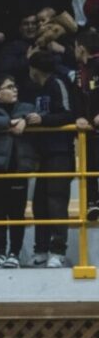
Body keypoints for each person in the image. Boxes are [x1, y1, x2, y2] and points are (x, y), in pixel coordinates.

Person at [0, 74, 39, 269]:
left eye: (15, 86)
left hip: (18, 168)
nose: (15, 90)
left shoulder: (25, 107)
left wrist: (26, 121)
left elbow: (35, 114)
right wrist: (10, 123)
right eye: (9, 87)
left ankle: (15, 253)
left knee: (17, 214)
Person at [22, 50, 76, 268]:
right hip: (42, 154)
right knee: (40, 204)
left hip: (60, 153)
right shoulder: (34, 88)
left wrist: (42, 119)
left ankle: (58, 251)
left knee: (56, 202)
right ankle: (41, 249)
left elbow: (68, 114)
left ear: (35, 69)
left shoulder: (57, 84)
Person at [74, 28, 99, 222]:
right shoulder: (81, 71)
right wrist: (79, 117)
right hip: (89, 131)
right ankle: (93, 203)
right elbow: (79, 99)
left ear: (81, 48)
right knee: (90, 166)